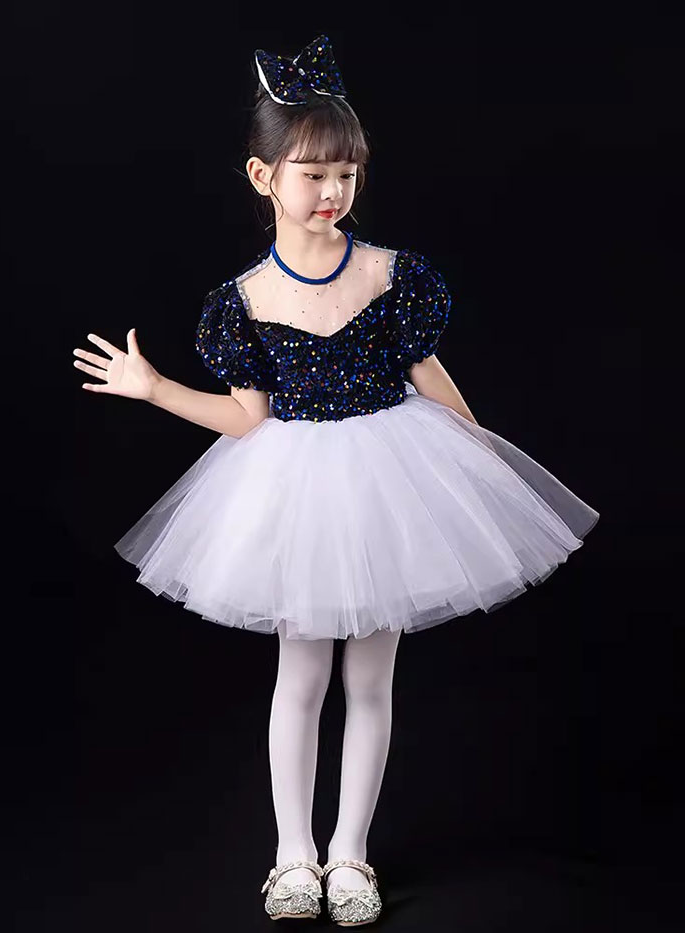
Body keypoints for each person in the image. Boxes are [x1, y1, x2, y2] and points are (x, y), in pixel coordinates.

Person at [72, 34, 600, 927]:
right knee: (302, 674)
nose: (332, 192)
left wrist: (481, 459)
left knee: (372, 680)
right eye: (313, 174)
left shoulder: (392, 275)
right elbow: (250, 418)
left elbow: (428, 374)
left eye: (346, 174)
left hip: (389, 476)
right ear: (263, 176)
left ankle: (351, 852)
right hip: (298, 490)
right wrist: (155, 388)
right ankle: (293, 854)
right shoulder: (244, 300)